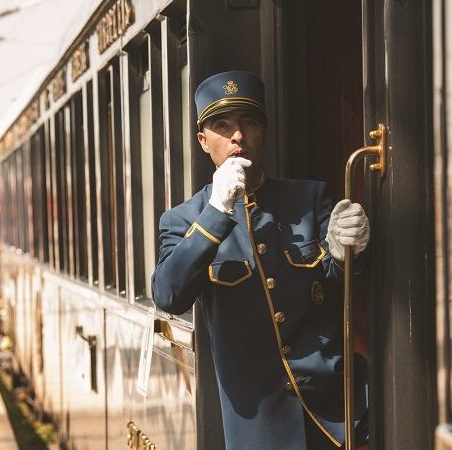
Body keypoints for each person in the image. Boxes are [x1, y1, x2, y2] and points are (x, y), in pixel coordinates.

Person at [151, 70, 370, 450]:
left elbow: (340, 289)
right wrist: (218, 211)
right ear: (204, 141)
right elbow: (168, 295)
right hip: (259, 430)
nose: (238, 136)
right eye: (223, 125)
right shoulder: (184, 220)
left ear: (264, 132)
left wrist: (346, 253)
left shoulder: (309, 199)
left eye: (249, 123)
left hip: (334, 418)